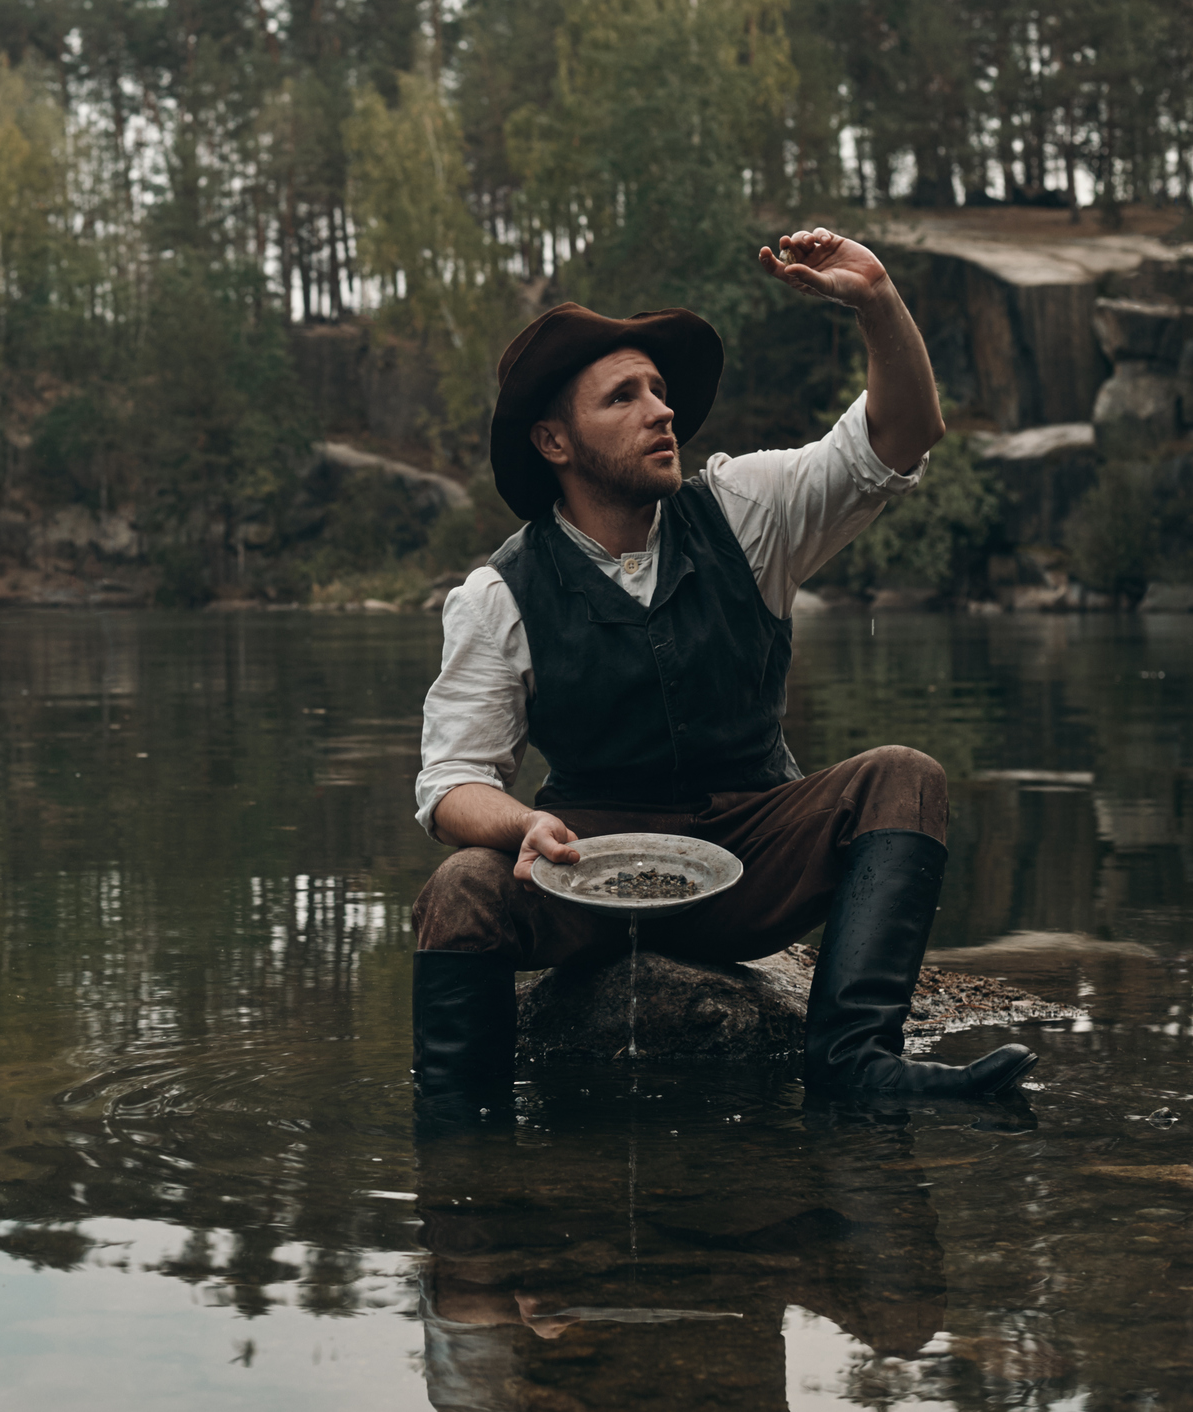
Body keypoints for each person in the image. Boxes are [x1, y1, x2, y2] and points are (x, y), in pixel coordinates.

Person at [410, 227, 1037, 1106]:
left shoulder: (745, 511)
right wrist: (521, 829)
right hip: (588, 872)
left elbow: (901, 434)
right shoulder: (496, 595)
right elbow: (449, 787)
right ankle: (458, 1126)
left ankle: (854, 1065)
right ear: (554, 444)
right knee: (461, 886)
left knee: (902, 777)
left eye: (660, 392)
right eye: (621, 398)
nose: (660, 411)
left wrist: (877, 299)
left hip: (752, 861)